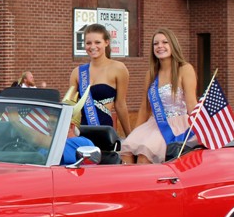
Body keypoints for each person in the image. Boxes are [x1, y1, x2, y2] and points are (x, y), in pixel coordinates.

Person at [120, 28, 198, 164]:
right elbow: (145, 108)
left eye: (165, 42)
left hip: (177, 124)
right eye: (156, 44)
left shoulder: (185, 69)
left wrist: (201, 128)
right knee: (127, 151)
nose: (160, 46)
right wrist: (134, 134)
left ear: (173, 45)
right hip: (154, 124)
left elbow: (192, 103)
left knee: (144, 154)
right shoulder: (151, 74)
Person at [68, 24, 132, 137]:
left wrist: (129, 136)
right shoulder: (77, 72)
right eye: (88, 43)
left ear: (106, 42)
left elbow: (120, 105)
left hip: (104, 133)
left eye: (97, 42)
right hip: (81, 133)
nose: (92, 46)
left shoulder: (119, 68)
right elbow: (70, 106)